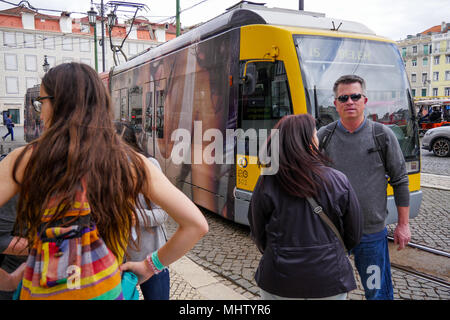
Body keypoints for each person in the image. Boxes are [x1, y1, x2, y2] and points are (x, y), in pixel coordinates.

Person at [0, 62, 208, 299]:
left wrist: (10, 278)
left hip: (42, 289)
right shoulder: (129, 163)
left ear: (58, 104)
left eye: (42, 102)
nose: (41, 111)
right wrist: (150, 266)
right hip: (104, 289)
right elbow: (196, 225)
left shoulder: (25, 159)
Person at [248, 114, 362, 300]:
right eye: (315, 134)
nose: (317, 138)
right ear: (308, 141)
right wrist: (330, 251)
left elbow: (257, 231)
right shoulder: (338, 180)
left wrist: (278, 251)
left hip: (279, 279)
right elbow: (354, 233)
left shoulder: (266, 181)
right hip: (330, 279)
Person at [318, 74, 411, 300]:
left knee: (377, 291)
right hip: (332, 233)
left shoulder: (382, 135)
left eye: (355, 96)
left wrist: (403, 225)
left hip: (370, 235)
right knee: (327, 292)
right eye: (344, 98)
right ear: (336, 104)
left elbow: (400, 180)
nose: (350, 101)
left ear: (364, 101)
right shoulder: (324, 137)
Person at [115, 121, 170, 300]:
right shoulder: (108, 173)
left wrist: (136, 217)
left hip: (152, 258)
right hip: (121, 261)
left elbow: (163, 213)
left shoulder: (149, 166)